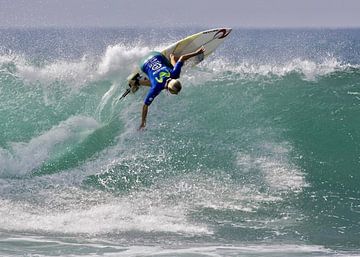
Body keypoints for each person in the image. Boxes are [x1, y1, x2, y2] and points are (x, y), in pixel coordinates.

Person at [130, 46, 205, 130]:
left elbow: (182, 57)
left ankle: (172, 57)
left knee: (158, 78)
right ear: (170, 90)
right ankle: (135, 82)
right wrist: (143, 123)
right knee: (154, 82)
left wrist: (196, 52)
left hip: (155, 55)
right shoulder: (156, 88)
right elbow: (145, 105)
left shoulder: (175, 74)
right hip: (143, 64)